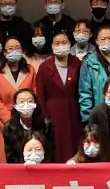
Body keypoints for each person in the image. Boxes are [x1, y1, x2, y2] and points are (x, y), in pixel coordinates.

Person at [33, 28, 82, 162]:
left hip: (73, 111)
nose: (61, 45)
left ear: (70, 44)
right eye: (57, 43)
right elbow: (40, 95)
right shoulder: (45, 67)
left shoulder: (77, 63)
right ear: (52, 46)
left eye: (64, 42)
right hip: (52, 113)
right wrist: (44, 117)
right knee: (56, 146)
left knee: (74, 144)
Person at [0, 36, 35, 152]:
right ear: (4, 52)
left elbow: (35, 93)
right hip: (3, 121)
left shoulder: (30, 70)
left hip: (26, 119)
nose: (14, 51)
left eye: (17, 48)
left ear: (22, 51)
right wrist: (9, 120)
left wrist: (24, 117)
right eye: (10, 48)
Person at [2, 88, 52, 163]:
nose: (26, 105)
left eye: (30, 101)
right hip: (19, 167)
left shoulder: (46, 124)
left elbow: (50, 152)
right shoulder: (9, 127)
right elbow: (10, 156)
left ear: (35, 104)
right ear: (15, 106)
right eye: (22, 102)